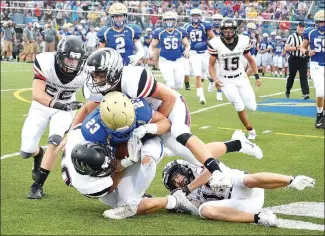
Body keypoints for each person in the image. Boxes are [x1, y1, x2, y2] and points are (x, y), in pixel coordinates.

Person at [56, 48, 260, 203]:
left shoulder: (134, 80)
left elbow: (168, 98)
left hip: (167, 109)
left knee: (182, 142)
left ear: (113, 72)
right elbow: (86, 109)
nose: (95, 80)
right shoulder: (99, 88)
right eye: (93, 75)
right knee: (143, 152)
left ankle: (218, 171)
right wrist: (70, 133)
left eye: (99, 75)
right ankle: (236, 144)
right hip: (141, 116)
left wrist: (156, 126)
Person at [62, 91, 170, 218]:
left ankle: (135, 203)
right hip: (120, 156)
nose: (124, 135)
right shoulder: (93, 133)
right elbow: (111, 168)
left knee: (148, 159)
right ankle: (175, 200)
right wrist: (127, 161)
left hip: (147, 141)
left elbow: (165, 123)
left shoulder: (139, 109)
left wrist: (146, 129)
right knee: (117, 201)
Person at [21, 36, 87, 199]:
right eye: (69, 58)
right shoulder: (45, 62)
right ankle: (38, 154)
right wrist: (61, 105)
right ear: (60, 55)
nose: (72, 63)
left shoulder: (86, 70)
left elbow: (91, 99)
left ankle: (38, 185)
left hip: (66, 108)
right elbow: (37, 94)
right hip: (43, 105)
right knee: (26, 151)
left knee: (55, 140)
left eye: (76, 59)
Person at [159, 159, 315, 225]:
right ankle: (260, 218)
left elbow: (212, 168)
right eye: (174, 181)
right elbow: (189, 207)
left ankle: (292, 180)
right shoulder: (185, 193)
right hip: (237, 207)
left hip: (247, 190)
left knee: (245, 179)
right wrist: (177, 202)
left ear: (183, 169)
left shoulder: (198, 164)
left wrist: (188, 188)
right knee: (204, 210)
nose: (177, 181)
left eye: (176, 175)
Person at [208, 19, 261, 140]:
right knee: (239, 106)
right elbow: (211, 65)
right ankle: (251, 131)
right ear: (221, 31)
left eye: (230, 30)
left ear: (235, 30)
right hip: (225, 80)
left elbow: (251, 60)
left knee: (252, 107)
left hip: (241, 77)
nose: (228, 33)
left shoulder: (243, 40)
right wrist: (215, 79)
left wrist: (257, 76)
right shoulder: (215, 43)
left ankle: (242, 98)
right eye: (225, 30)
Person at [149, 11, 190, 90]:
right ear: (164, 21)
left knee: (178, 85)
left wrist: (187, 50)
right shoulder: (159, 32)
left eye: (171, 20)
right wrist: (150, 51)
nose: (169, 22)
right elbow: (152, 45)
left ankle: (173, 98)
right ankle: (172, 101)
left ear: (175, 21)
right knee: (170, 83)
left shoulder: (180, 31)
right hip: (165, 61)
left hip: (178, 60)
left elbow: (187, 44)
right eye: (167, 20)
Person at [184, 8, 216, 104]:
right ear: (191, 16)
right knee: (197, 75)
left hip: (205, 53)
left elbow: (213, 38)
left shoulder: (205, 26)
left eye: (197, 15)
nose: (195, 17)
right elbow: (185, 40)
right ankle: (202, 97)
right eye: (194, 15)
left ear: (200, 16)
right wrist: (186, 48)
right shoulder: (187, 27)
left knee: (204, 75)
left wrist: (205, 42)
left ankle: (200, 88)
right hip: (194, 53)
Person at [300, 10, 325, 129]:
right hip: (316, 65)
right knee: (320, 93)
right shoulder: (310, 32)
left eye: (323, 21)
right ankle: (319, 115)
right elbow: (302, 47)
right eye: (319, 22)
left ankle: (323, 116)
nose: (321, 24)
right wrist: (306, 52)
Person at [285, 21, 310, 100]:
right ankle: (288, 90)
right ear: (297, 27)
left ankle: (305, 94)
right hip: (294, 59)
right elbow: (286, 48)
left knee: (303, 77)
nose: (301, 28)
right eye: (300, 27)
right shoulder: (292, 37)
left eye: (303, 27)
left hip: (303, 59)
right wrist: (296, 48)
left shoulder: (306, 37)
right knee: (291, 76)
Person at [208, 13, 223, 101]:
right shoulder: (209, 30)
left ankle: (219, 92)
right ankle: (211, 80)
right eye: (215, 20)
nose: (217, 22)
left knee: (219, 74)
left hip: (221, 54)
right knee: (208, 73)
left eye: (219, 20)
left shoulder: (223, 30)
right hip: (210, 53)